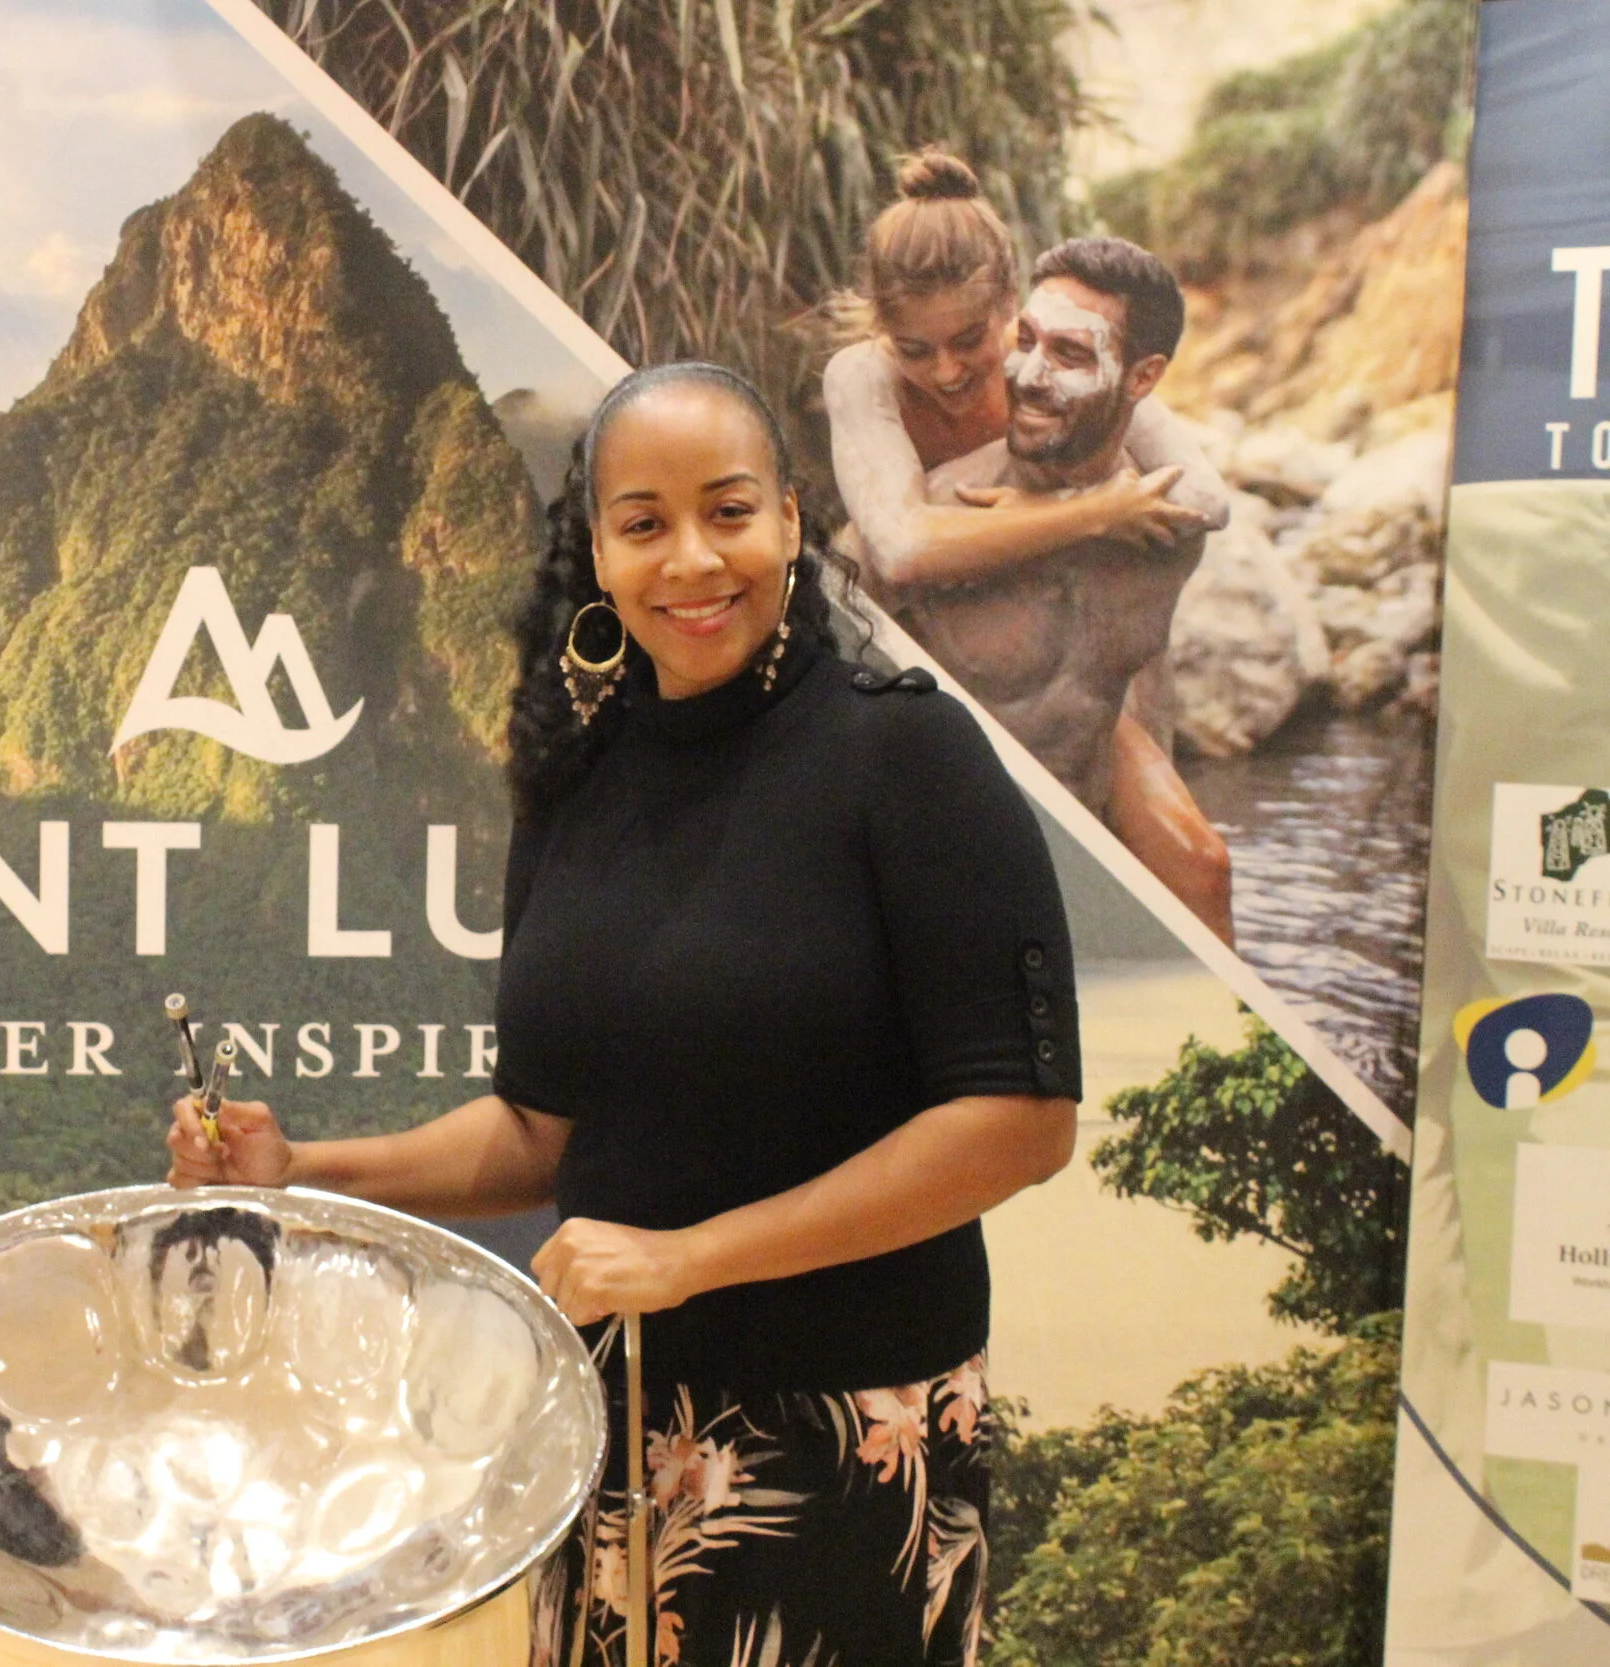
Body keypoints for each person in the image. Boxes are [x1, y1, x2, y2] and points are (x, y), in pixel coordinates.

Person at [168, 361, 1082, 1666]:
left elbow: (1018, 1123)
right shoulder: (579, 781)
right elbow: (542, 1132)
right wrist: (302, 1167)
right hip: (609, 1436)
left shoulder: (907, 753)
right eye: (645, 522)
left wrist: (690, 1254)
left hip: (843, 1453)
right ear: (597, 551)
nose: (692, 558)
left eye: (730, 510)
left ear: (791, 519)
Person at [826, 151, 1236, 943]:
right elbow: (901, 545)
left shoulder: (1041, 363)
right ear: (884, 331)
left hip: (1060, 635)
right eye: (915, 348)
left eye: (970, 339)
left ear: (1010, 308)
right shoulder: (862, 378)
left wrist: (1059, 511)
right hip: (925, 640)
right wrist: (1087, 513)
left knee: (1198, 866)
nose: (947, 371)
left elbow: (1205, 497)